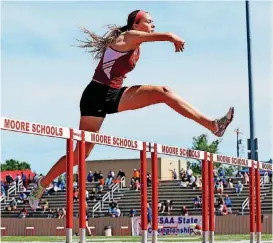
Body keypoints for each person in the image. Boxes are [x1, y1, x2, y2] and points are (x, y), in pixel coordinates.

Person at [28, 10, 234, 210]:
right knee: (80, 155)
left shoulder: (136, 44)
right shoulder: (129, 36)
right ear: (135, 25)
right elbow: (167, 36)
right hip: (95, 96)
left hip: (115, 95)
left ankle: (214, 125)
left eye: (153, 22)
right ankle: (42, 184)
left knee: (164, 92)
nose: (153, 25)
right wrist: (173, 38)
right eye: (149, 21)